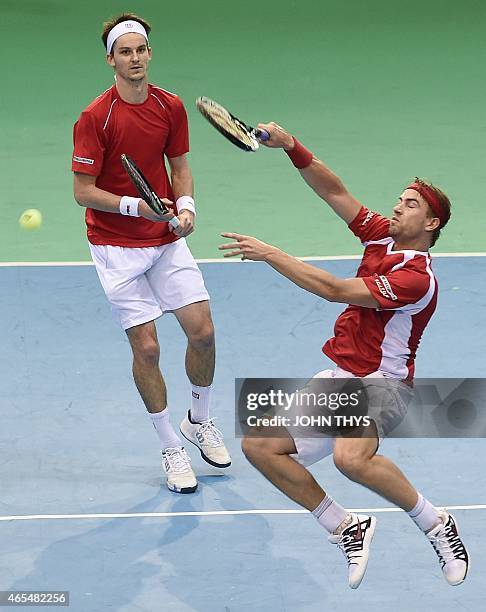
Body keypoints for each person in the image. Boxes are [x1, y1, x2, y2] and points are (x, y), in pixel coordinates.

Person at [220, 123, 469, 588]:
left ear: (431, 224)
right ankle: (343, 525)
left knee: (350, 458)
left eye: (410, 204)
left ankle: (436, 524)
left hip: (383, 385)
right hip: (341, 377)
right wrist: (292, 146)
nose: (397, 206)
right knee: (260, 445)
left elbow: (336, 290)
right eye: (399, 199)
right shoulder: (381, 236)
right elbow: (333, 191)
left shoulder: (417, 277)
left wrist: (272, 254)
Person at [72, 13, 231, 494]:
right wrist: (135, 205)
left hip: (164, 241)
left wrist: (185, 206)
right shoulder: (94, 118)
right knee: (148, 348)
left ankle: (198, 420)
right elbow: (83, 190)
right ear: (111, 60)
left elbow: (179, 165)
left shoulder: (170, 106)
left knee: (202, 333)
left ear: (149, 53)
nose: (135, 58)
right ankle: (170, 448)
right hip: (115, 247)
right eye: (125, 52)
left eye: (141, 50)